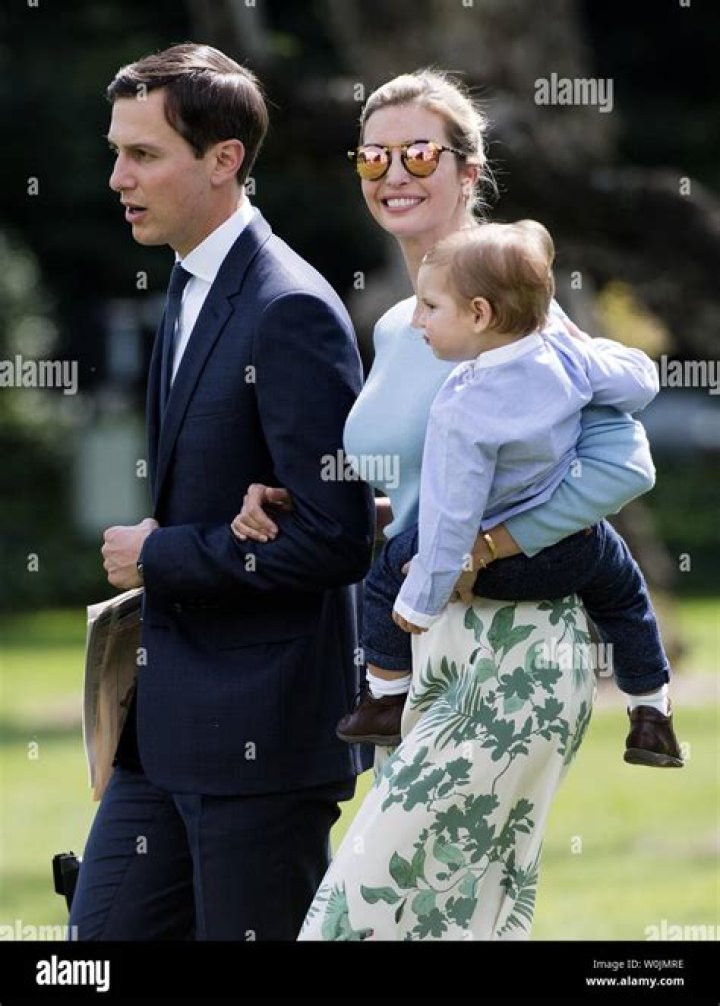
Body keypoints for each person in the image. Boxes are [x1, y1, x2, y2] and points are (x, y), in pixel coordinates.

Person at [232, 69, 668, 940]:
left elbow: (623, 467)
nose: (394, 172)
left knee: (359, 919)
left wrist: (488, 546)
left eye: (420, 153)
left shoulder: (510, 309)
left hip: (512, 649)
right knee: (463, 923)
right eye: (374, 156)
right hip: (419, 651)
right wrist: (309, 506)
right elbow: (427, 482)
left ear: (469, 171)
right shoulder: (402, 324)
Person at [68, 43, 375, 941]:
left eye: (144, 155)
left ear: (224, 160)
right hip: (163, 734)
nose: (119, 178)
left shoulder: (290, 308)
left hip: (262, 746)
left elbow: (337, 538)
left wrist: (159, 554)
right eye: (117, 152)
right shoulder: (188, 279)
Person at [381, 219, 681, 769]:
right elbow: (640, 382)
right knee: (625, 596)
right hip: (573, 551)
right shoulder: (564, 356)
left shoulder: (463, 403)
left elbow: (452, 515)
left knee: (387, 569)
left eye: (429, 307)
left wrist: (423, 596)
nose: (418, 319)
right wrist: (590, 347)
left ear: (479, 314)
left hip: (491, 571)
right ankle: (650, 714)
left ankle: (381, 699)